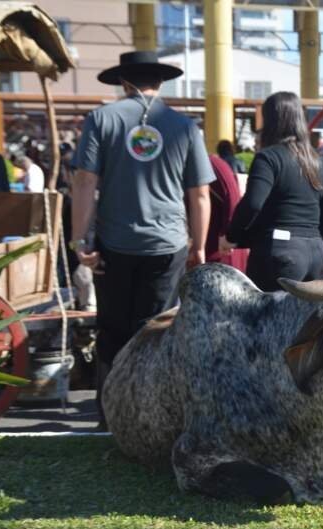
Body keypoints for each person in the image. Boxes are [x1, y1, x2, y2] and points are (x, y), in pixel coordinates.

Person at [70, 51, 214, 425]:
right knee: (155, 331)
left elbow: (85, 181)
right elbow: (199, 194)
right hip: (167, 245)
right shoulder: (184, 126)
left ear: (124, 82)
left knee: (112, 329)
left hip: (114, 244)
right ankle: (150, 416)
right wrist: (199, 246)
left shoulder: (101, 119)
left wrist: (79, 240)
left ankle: (110, 415)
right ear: (160, 82)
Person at [223, 92, 323, 292]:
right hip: (316, 253)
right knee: (308, 322)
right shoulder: (319, 161)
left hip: (280, 252)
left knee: (265, 319)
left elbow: (253, 203)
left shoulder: (268, 158)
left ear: (270, 121)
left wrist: (231, 237)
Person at [205, 154, 248, 272]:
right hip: (213, 250)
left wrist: (228, 236)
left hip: (221, 253)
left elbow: (232, 198)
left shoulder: (212, 164)